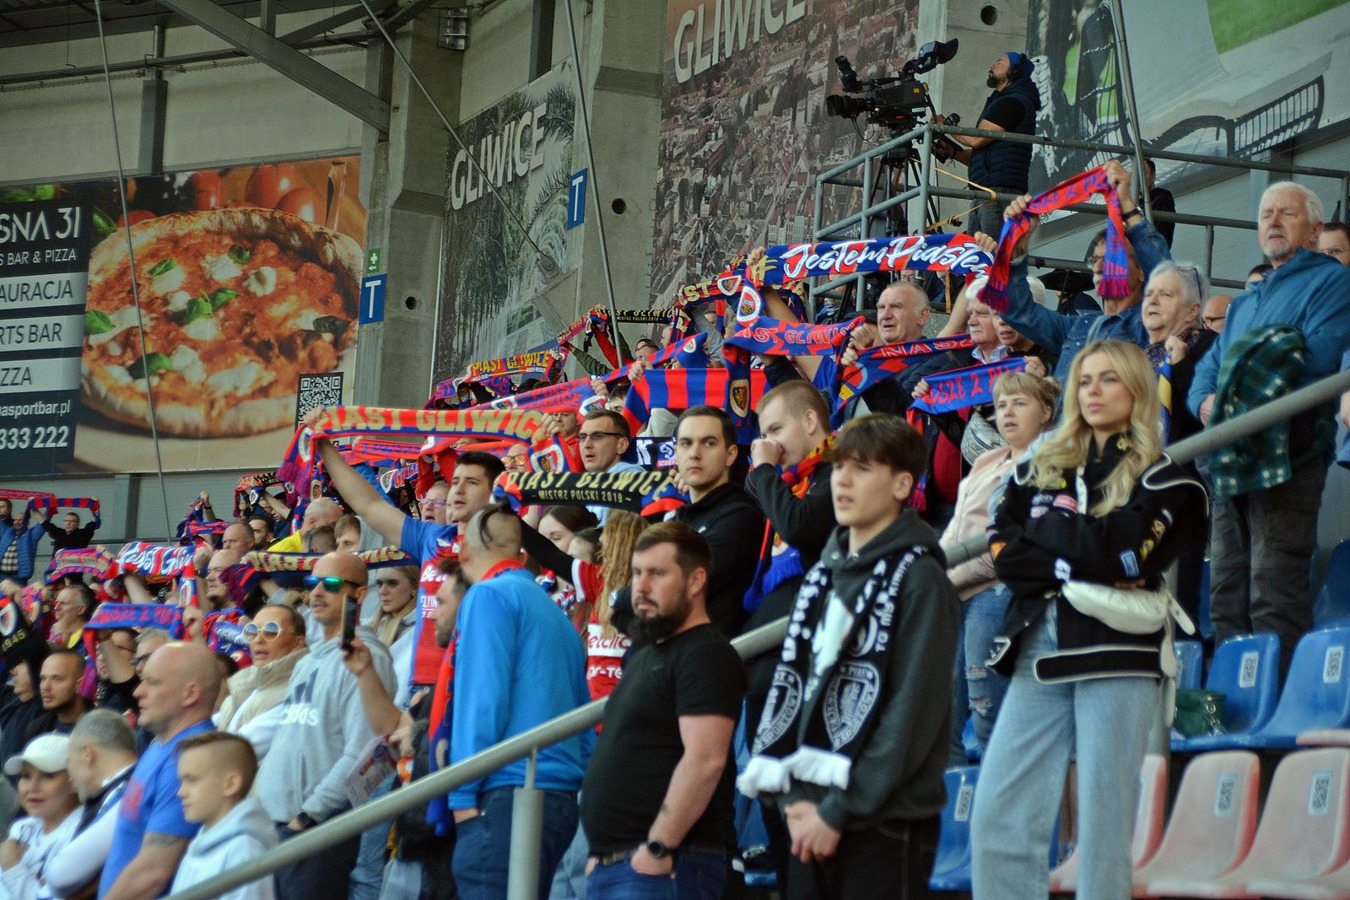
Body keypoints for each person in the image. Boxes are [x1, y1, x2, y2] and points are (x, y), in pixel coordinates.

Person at [970, 340, 1207, 899]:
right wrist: (1073, 550)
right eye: (1084, 380)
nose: (1093, 391)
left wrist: (1048, 535)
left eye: (1108, 379)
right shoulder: (1039, 470)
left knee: (1103, 832)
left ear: (1137, 389)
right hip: (1036, 647)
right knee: (997, 818)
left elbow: (1124, 556)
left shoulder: (1172, 479)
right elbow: (1004, 548)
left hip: (1116, 654)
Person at [739, 414, 959, 900]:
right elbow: (793, 693)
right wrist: (796, 803)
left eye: (861, 468)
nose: (842, 480)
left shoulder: (921, 579)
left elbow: (910, 715)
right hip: (805, 816)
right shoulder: (821, 576)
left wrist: (838, 811)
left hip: (884, 822)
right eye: (839, 467)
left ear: (902, 484)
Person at [1188, 182, 1350, 678]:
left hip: (1290, 461)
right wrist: (1208, 402)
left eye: (1286, 213)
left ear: (1315, 230)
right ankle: (1233, 706)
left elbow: (1317, 361)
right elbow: (1206, 373)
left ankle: (1276, 710)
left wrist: (1231, 397)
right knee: (1227, 594)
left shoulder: (1335, 283)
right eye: (1265, 214)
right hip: (1230, 459)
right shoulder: (1244, 304)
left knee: (1273, 593)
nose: (1273, 221)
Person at [581, 522, 744, 899]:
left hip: (667, 866)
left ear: (695, 580)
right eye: (637, 573)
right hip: (618, 866)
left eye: (657, 573)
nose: (641, 587)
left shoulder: (705, 653)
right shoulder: (646, 654)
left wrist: (659, 846)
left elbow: (705, 760)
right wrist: (601, 857)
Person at [448, 504, 591, 900]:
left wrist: (461, 796)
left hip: (508, 793)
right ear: (522, 555)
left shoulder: (488, 595)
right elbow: (584, 724)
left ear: (462, 551)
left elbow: (483, 702)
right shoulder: (555, 612)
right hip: (558, 800)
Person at [253, 551, 393, 900]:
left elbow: (366, 753)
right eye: (313, 582)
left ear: (360, 595)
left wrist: (309, 817)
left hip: (316, 832)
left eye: (331, 584)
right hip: (273, 827)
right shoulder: (306, 661)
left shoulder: (367, 657)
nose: (316, 592)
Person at [941, 372, 1057, 764]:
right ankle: (955, 795)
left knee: (986, 706)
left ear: (1046, 411)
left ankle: (1000, 786)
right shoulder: (988, 458)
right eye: (1001, 405)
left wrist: (952, 575)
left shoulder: (1048, 462)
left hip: (995, 589)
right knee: (943, 712)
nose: (1007, 413)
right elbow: (957, 525)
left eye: (1019, 404)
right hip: (956, 587)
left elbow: (1016, 540)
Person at [996, 160, 1171, 385]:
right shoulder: (1077, 326)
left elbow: (1166, 278)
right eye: (1095, 259)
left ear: (1142, 273)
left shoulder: (1148, 324)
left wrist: (1126, 203)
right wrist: (1016, 244)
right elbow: (1016, 311)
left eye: (1112, 258)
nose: (1100, 266)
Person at [99, 641, 222, 899]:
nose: (138, 692)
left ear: (190, 694)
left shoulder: (190, 758)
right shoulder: (162, 743)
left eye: (152, 682)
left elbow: (153, 874)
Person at [670, 406, 766, 637]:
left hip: (710, 653)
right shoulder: (677, 519)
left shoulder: (741, 516)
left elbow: (674, 587)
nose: (694, 453)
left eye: (709, 443)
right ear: (676, 452)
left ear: (730, 455)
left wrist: (618, 598)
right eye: (686, 443)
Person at [170, 732, 277, 900]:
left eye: (192, 780)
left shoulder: (244, 851)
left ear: (231, 784)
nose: (181, 792)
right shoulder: (200, 843)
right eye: (181, 781)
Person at [46, 710, 139, 899]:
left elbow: (60, 874)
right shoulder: (128, 786)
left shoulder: (128, 793)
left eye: (69, 762)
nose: (70, 776)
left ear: (87, 754)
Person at [949, 51, 1042, 239]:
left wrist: (945, 126)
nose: (993, 65)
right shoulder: (1002, 100)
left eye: (1000, 62)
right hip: (986, 193)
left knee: (994, 251)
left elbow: (977, 139)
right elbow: (980, 155)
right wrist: (950, 150)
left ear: (1014, 71)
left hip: (998, 194)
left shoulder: (1012, 102)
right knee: (981, 254)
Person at [215, 606, 308, 760]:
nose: (258, 639)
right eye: (252, 631)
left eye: (271, 631)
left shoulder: (298, 693)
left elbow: (232, 752)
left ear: (297, 643)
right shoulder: (245, 684)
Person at [1141, 261, 1215, 445]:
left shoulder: (1209, 347)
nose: (1152, 300)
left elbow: (1201, 417)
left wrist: (1181, 366)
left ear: (1192, 311)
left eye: (1165, 294)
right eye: (1148, 294)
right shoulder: (1138, 355)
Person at [1, 734, 81, 900]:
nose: (32, 787)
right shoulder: (22, 827)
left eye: (47, 776)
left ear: (74, 780)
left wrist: (11, 866)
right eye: (25, 776)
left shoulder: (82, 833)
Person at [577, 409, 645, 525]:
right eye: (582, 437)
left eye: (598, 436)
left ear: (621, 445)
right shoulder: (583, 485)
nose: (587, 445)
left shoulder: (634, 480)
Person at [27, 651, 89, 742]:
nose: (45, 687)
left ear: (79, 684)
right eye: (43, 679)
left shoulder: (101, 727)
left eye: (57, 679)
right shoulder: (36, 729)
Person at [267, 498, 342, 553]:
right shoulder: (281, 552)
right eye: (333, 525)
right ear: (312, 522)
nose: (337, 530)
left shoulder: (337, 548)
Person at [1140, 158, 1176, 248]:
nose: (1139, 179)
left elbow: (1163, 235)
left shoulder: (1162, 197)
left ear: (1153, 176)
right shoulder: (1130, 203)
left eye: (1143, 173)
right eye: (1133, 175)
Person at [36, 507, 100, 553]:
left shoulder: (83, 534)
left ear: (78, 524)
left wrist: (95, 506)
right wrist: (34, 508)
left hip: (75, 566)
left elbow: (93, 522)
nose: (68, 523)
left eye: (72, 521)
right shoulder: (59, 533)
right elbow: (44, 523)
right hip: (59, 567)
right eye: (66, 521)